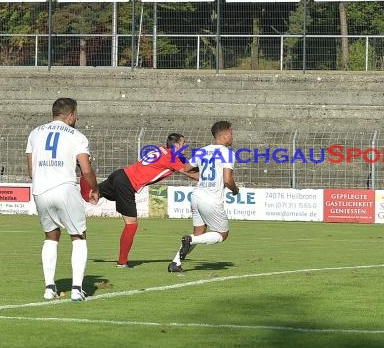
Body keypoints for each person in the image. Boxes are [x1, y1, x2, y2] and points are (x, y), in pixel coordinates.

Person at [26, 97, 99, 301]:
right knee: (78, 236)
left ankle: (49, 288)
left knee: (51, 236)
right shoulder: (77, 136)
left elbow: (31, 171)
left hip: (40, 190)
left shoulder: (34, 133)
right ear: (71, 114)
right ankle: (77, 289)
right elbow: (86, 169)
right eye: (76, 115)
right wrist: (94, 188)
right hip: (65, 188)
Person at [96, 133, 195, 268]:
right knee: (131, 224)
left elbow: (183, 161)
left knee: (92, 194)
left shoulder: (162, 149)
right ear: (176, 145)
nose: (185, 146)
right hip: (127, 184)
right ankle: (122, 262)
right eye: (183, 144)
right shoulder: (171, 158)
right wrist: (210, 178)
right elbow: (189, 172)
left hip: (119, 174)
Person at [167, 120, 239, 273]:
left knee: (199, 232)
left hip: (196, 196)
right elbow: (227, 179)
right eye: (231, 134)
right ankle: (190, 240)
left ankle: (176, 262)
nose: (232, 137)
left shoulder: (202, 151)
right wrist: (235, 189)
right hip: (211, 199)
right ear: (225, 135)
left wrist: (204, 177)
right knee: (222, 234)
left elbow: (186, 168)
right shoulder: (227, 153)